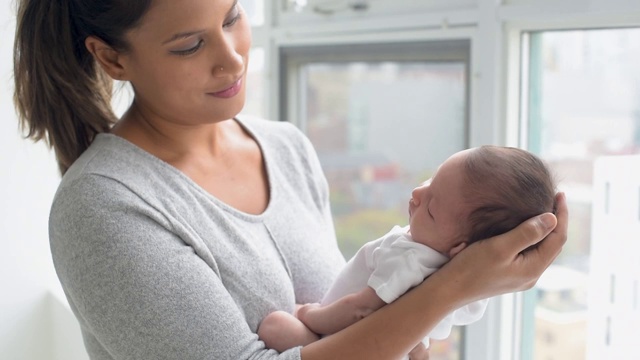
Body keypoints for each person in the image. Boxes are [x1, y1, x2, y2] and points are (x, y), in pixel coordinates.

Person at [13, 0, 568, 359]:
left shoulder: (286, 148)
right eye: (189, 45)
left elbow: (361, 320)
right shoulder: (105, 206)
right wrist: (458, 286)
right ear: (111, 58)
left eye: (231, 17)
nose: (232, 60)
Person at [257, 146, 556, 355]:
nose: (417, 193)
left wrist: (311, 315)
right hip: (382, 347)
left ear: (458, 247)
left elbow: (361, 309)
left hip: (338, 342)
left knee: (275, 325)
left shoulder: (409, 259)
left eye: (432, 206)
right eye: (431, 181)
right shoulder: (459, 273)